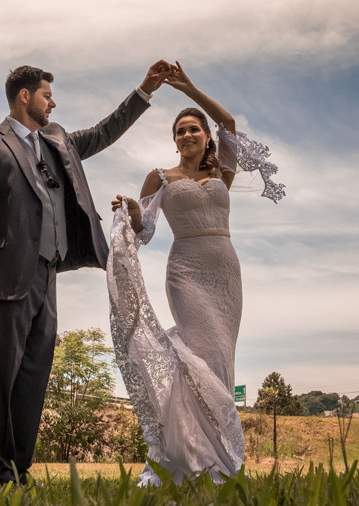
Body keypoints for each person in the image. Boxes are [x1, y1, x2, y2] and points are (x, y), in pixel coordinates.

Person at [0, 61, 174, 485]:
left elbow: (104, 131)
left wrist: (145, 90)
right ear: (25, 96)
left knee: (34, 375)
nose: (52, 103)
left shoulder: (57, 141)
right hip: (5, 277)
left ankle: (17, 471)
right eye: (46, 95)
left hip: (48, 273)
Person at [108, 63, 284, 485]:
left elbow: (230, 123)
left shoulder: (221, 173)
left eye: (193, 129)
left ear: (206, 137)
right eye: (180, 131)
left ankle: (215, 456)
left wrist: (188, 88)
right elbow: (144, 229)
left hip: (226, 272)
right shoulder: (161, 177)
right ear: (174, 141)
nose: (186, 135)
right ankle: (180, 456)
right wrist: (132, 209)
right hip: (185, 271)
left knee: (218, 360)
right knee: (197, 354)